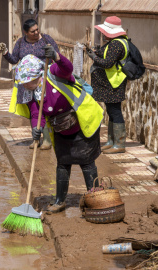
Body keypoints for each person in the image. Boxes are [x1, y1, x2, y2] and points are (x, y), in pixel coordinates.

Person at [14, 51, 103, 213]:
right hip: (61, 127)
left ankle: (96, 199)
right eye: (23, 82)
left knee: (87, 162)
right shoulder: (32, 92)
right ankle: (60, 201)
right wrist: (36, 128)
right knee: (63, 163)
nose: (24, 85)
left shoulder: (53, 73)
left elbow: (67, 68)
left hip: (82, 122)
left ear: (36, 75)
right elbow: (36, 114)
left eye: (27, 81)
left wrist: (56, 56)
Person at [0, 19, 60, 150]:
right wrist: (5, 53)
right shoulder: (20, 42)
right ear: (25, 32)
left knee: (45, 108)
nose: (36, 32)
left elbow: (57, 55)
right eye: (33, 31)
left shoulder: (46, 39)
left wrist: (52, 54)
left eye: (37, 29)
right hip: (26, 84)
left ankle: (48, 140)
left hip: (43, 81)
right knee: (34, 111)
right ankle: (36, 139)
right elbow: (14, 59)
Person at [86, 16, 129, 154]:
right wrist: (93, 52)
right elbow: (104, 54)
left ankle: (119, 144)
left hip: (114, 83)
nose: (103, 34)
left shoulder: (117, 44)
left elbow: (107, 63)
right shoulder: (114, 42)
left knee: (115, 111)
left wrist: (93, 57)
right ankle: (112, 141)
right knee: (111, 111)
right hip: (110, 83)